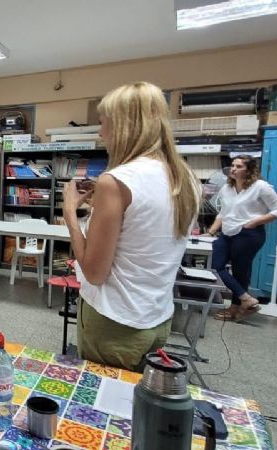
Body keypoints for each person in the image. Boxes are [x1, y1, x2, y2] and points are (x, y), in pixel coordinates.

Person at [63, 81, 201, 372]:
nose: (100, 133)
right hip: (157, 317)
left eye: (103, 123)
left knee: (102, 397)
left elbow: (94, 273)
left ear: (123, 126)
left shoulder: (116, 181)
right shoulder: (184, 178)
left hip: (114, 320)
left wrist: (70, 213)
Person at [207, 155, 277, 321]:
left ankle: (234, 309)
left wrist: (255, 221)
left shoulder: (261, 187)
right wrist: (211, 231)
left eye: (239, 166)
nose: (233, 169)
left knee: (240, 271)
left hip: (249, 234)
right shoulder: (227, 188)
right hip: (227, 232)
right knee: (216, 265)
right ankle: (246, 299)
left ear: (249, 170)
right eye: (233, 166)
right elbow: (223, 212)